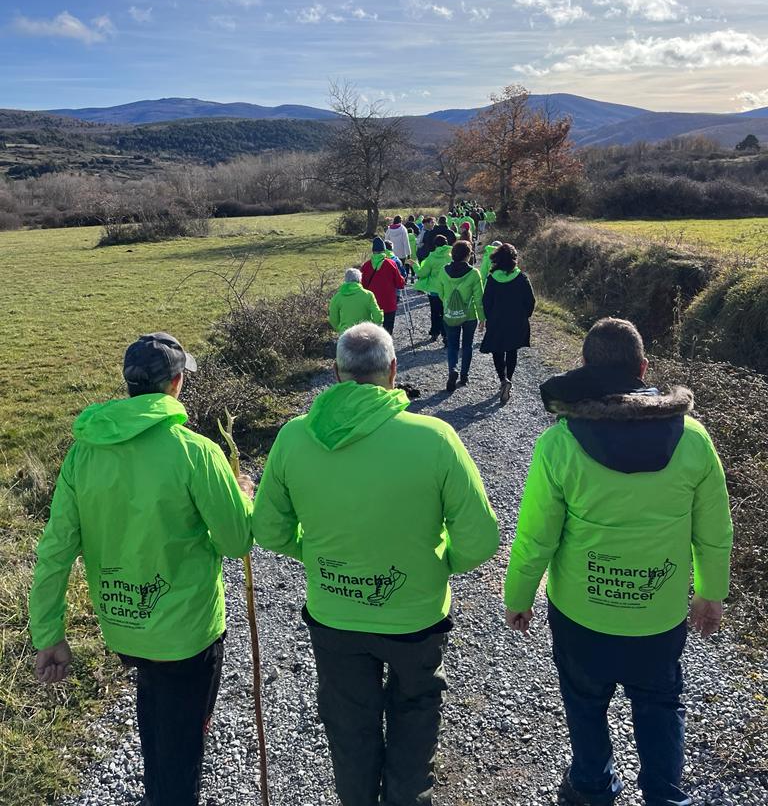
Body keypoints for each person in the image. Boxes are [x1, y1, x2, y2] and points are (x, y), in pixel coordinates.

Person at [251, 323, 499, 806]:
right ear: (393, 370)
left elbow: (270, 530)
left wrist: (317, 555)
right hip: (415, 618)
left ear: (336, 373)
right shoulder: (435, 438)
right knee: (415, 715)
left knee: (349, 728)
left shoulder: (295, 437)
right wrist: (439, 566)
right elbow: (482, 539)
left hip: (334, 617)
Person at [503, 318, 733, 806]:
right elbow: (714, 531)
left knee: (585, 706)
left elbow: (535, 537)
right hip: (659, 615)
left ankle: (591, 786)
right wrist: (711, 593)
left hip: (581, 614)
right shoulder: (693, 439)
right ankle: (665, 798)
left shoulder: (560, 443)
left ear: (585, 367)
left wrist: (518, 596)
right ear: (644, 368)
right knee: (659, 704)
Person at [28, 333, 255, 806]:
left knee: (157, 705)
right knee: (182, 750)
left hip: (124, 627)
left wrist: (49, 634)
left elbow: (54, 551)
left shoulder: (84, 452)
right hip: (188, 634)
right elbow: (236, 542)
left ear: (129, 384)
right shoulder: (197, 452)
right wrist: (242, 495)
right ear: (176, 383)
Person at [479, 243, 535, 405]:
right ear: (514, 259)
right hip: (516, 321)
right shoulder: (521, 277)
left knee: (497, 350)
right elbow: (530, 301)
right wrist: (525, 315)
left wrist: (489, 317)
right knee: (512, 350)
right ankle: (509, 378)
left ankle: (503, 380)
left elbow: (486, 301)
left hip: (497, 321)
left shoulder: (492, 278)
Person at [434, 240, 485, 392]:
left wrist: (448, 305)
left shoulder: (443, 271)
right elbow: (479, 299)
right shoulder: (474, 274)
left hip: (450, 315)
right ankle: (464, 376)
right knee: (467, 345)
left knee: (452, 346)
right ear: (468, 256)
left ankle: (452, 370)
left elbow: (440, 293)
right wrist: (482, 318)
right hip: (469, 316)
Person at [362, 237, 405, 335]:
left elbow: (363, 285)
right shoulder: (391, 263)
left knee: (373, 329)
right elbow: (399, 283)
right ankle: (386, 347)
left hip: (372, 303)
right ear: (384, 250)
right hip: (389, 302)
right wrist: (402, 279)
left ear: (373, 251)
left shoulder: (366, 266)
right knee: (388, 329)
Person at [414, 234, 452, 342]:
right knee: (446, 312)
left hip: (434, 290)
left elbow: (422, 273)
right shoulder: (451, 256)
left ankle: (435, 333)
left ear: (435, 245)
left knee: (435, 312)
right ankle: (446, 335)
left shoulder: (431, 258)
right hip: (447, 289)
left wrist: (415, 265)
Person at [329, 268, 385, 333]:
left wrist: (340, 330)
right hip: (365, 332)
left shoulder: (337, 297)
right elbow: (378, 317)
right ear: (359, 280)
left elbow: (333, 320)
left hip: (346, 334)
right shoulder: (368, 295)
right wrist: (371, 326)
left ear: (345, 280)